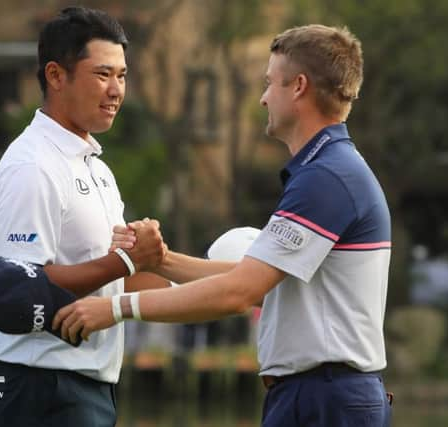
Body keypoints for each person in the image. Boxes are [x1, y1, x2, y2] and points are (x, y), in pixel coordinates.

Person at [54, 24, 393, 427]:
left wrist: (114, 308)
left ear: (299, 87)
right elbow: (250, 276)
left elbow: (239, 292)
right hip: (321, 395)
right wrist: (158, 260)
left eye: (270, 84)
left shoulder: (326, 178)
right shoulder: (328, 169)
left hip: (324, 398)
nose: (264, 98)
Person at [0, 7, 169, 427]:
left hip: (88, 386)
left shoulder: (96, 168)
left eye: (122, 75)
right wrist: (127, 260)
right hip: (38, 387)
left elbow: (113, 279)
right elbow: (21, 288)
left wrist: (221, 283)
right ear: (55, 75)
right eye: (102, 75)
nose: (116, 90)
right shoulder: (32, 165)